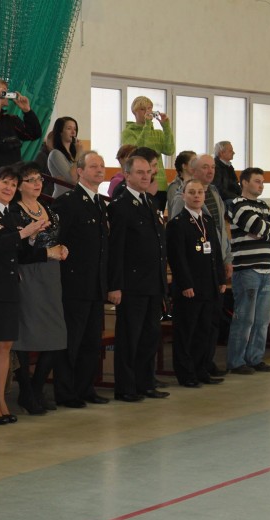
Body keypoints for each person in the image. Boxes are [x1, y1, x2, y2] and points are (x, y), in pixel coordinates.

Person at [0, 165, 47, 424]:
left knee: (5, 345)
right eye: (4, 182)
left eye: (13, 185)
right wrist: (23, 233)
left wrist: (35, 238)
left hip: (10, 286)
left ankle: (0, 399)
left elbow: (20, 251)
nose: (9, 188)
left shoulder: (12, 214)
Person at [107, 156, 169, 402]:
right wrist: (115, 285)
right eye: (140, 172)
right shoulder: (121, 205)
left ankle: (146, 383)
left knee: (150, 336)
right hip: (132, 284)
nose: (146, 176)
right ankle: (126, 387)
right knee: (129, 338)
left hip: (152, 282)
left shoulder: (150, 202)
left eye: (148, 172)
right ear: (127, 175)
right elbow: (116, 249)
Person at [53, 151, 112, 407]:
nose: (100, 170)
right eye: (94, 166)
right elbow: (57, 242)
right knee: (71, 341)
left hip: (95, 284)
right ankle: (66, 392)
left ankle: (85, 388)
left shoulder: (100, 203)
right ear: (79, 171)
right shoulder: (67, 202)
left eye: (102, 166)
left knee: (91, 341)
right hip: (74, 284)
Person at [10, 162, 70, 413]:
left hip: (51, 275)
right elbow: (18, 250)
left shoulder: (49, 209)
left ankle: (36, 386)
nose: (37, 184)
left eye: (39, 179)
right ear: (18, 186)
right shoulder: (14, 211)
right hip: (28, 274)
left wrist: (62, 248)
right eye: (30, 180)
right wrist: (46, 251)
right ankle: (26, 391)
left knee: (56, 334)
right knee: (25, 334)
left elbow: (55, 238)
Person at [168, 154, 233, 376]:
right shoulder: (178, 223)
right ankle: (187, 372)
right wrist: (185, 283)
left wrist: (220, 279)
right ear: (183, 195)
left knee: (206, 327)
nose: (197, 196)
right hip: (190, 283)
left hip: (209, 282)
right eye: (192, 193)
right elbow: (178, 257)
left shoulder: (207, 220)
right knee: (188, 329)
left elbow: (215, 252)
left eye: (200, 193)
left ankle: (202, 367)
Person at [226, 168, 270, 375]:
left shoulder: (263, 206)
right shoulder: (237, 205)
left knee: (262, 320)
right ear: (244, 182)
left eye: (262, 182)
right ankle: (236, 361)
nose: (261, 185)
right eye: (257, 181)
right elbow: (259, 226)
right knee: (245, 318)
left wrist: (265, 233)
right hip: (247, 270)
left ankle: (255, 358)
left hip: (266, 270)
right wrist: (267, 231)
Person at [120, 96, 174, 207]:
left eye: (149, 109)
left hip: (160, 185)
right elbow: (136, 152)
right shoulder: (128, 132)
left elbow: (170, 150)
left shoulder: (158, 133)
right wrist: (147, 125)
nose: (146, 112)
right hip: (139, 183)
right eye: (142, 109)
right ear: (134, 112)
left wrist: (166, 127)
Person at [47, 116, 80, 198]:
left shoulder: (73, 154)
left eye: (75, 129)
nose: (73, 132)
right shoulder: (55, 153)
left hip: (75, 197)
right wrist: (79, 153)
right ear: (60, 132)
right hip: (62, 198)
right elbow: (72, 179)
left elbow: (85, 178)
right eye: (69, 128)